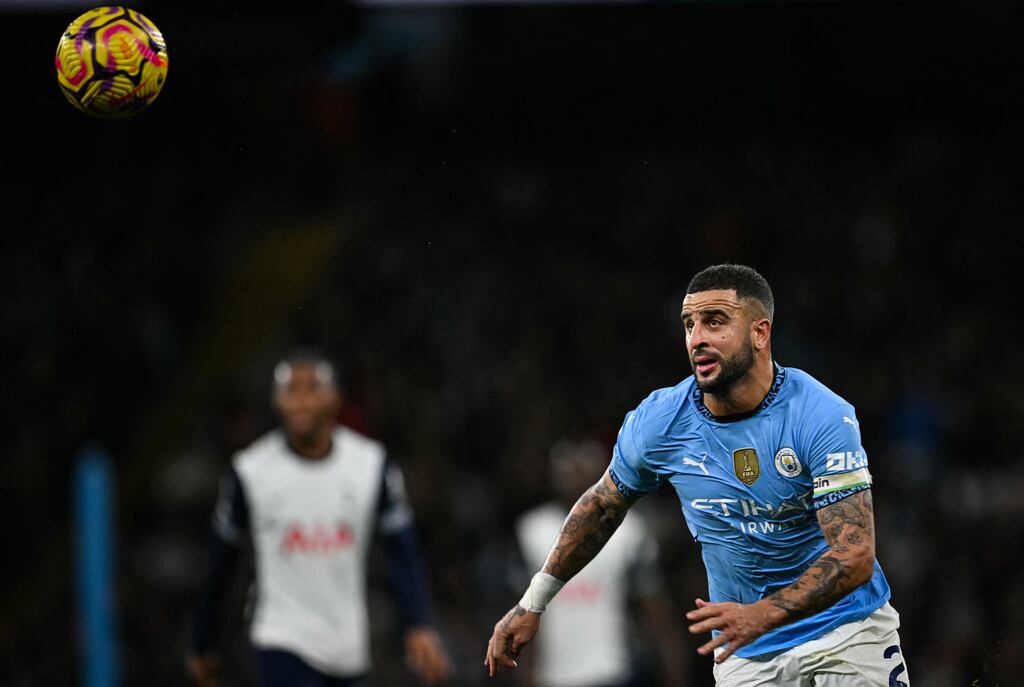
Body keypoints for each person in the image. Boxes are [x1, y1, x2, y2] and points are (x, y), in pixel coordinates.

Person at [485, 264, 909, 686]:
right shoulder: (660, 422)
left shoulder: (819, 414)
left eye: (715, 322)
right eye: (689, 324)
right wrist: (532, 603)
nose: (697, 339)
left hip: (846, 633)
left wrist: (763, 613)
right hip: (746, 653)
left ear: (760, 333)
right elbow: (601, 506)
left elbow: (854, 555)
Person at [188, 350, 451, 687]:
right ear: (275, 400)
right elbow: (221, 561)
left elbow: (402, 550)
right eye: (290, 390)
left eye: (312, 389)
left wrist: (418, 623)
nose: (300, 400)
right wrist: (202, 640)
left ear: (336, 398)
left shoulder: (370, 465)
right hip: (281, 640)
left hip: (348, 649)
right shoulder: (250, 471)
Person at [514, 438, 688, 687]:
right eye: (567, 467)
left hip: (613, 669)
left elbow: (656, 610)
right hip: (553, 675)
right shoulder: (533, 532)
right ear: (553, 474)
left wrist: (674, 671)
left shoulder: (628, 532)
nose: (575, 474)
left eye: (583, 465)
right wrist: (526, 676)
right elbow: (523, 614)